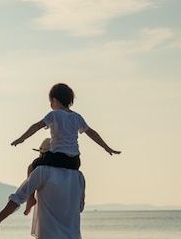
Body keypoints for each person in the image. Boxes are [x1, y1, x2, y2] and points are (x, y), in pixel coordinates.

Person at [11, 83, 120, 214]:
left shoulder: (54, 115)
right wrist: (107, 148)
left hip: (58, 157)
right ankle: (80, 201)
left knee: (31, 167)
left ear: (55, 100)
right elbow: (92, 133)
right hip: (74, 161)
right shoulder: (77, 117)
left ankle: (30, 198)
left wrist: (21, 138)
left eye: (50, 102)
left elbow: (36, 126)